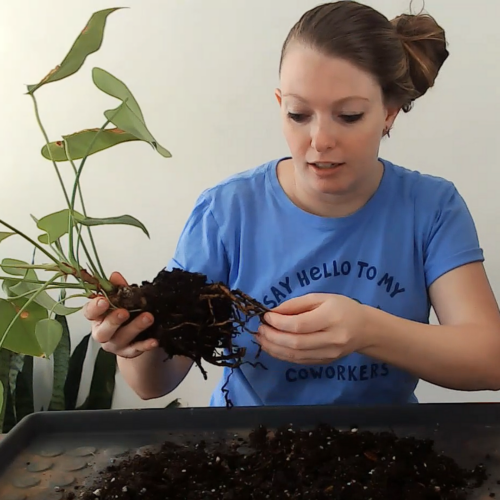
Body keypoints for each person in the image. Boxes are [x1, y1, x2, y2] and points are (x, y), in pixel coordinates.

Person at [85, 0, 500, 407]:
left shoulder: (431, 208)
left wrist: (367, 330)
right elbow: (153, 385)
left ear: (389, 112)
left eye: (349, 116)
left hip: (382, 449)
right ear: (280, 104)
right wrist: (133, 342)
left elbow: (489, 359)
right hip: (248, 449)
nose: (320, 141)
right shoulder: (227, 212)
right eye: (299, 114)